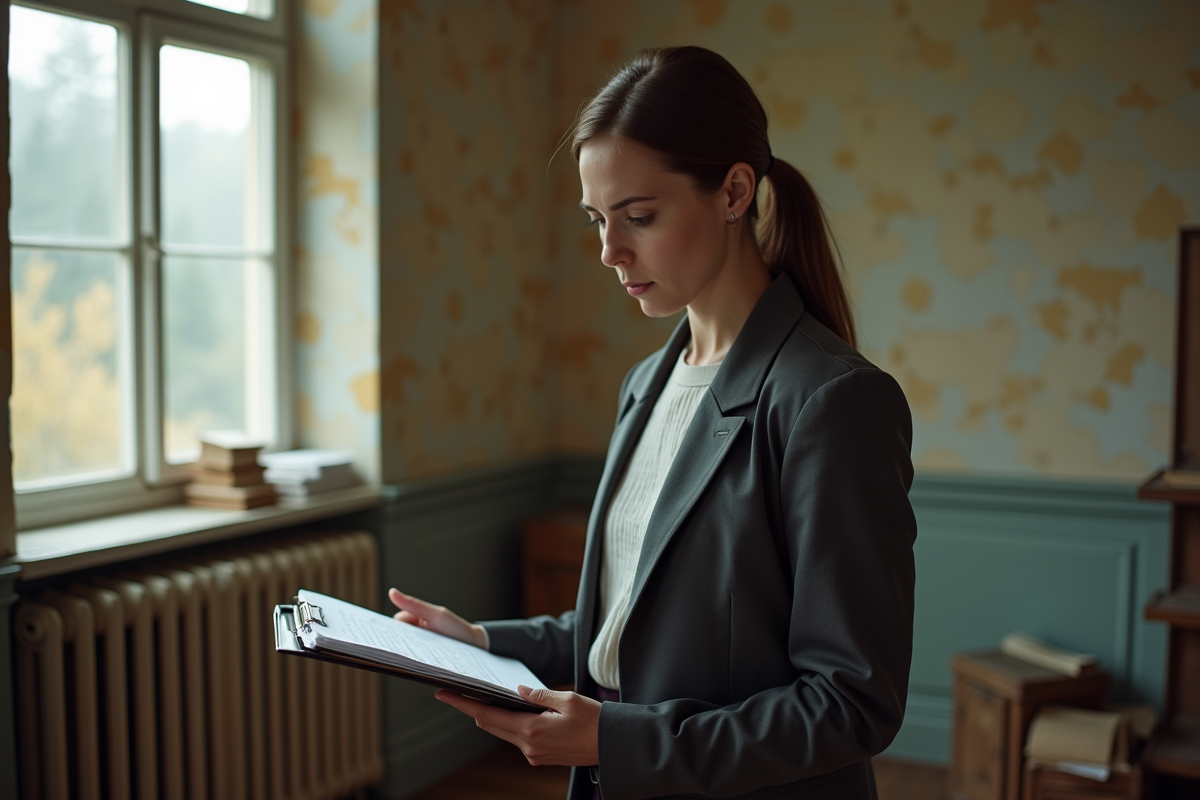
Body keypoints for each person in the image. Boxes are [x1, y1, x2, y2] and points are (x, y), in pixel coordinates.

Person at [388, 45, 917, 800]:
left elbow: (850, 705)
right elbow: (624, 631)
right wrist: (476, 642)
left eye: (638, 216)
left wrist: (614, 738)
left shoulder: (832, 401)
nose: (609, 251)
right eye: (598, 220)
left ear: (735, 191)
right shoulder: (647, 384)